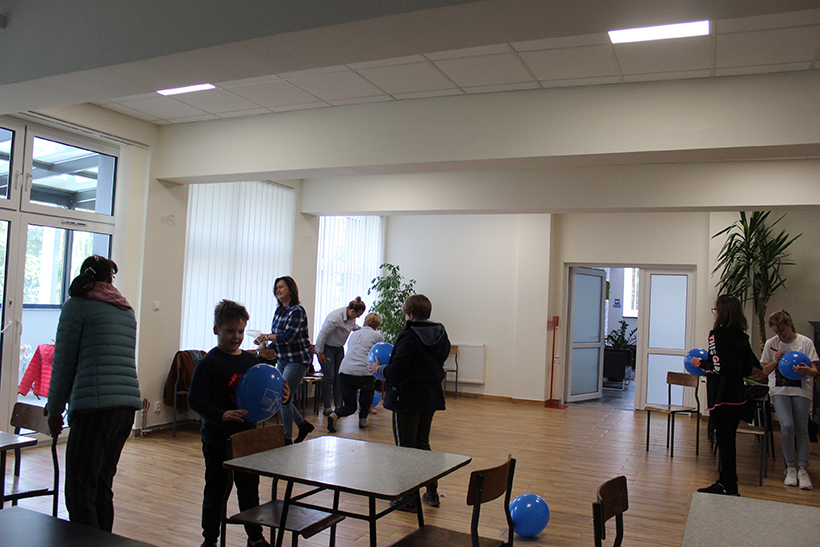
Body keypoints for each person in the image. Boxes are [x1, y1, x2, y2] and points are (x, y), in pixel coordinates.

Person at [46, 255, 141, 531]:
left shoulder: (77, 306)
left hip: (94, 411)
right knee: (101, 486)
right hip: (125, 410)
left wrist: (54, 410)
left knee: (79, 491)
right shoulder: (125, 310)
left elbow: (63, 363)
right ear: (110, 278)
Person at [188, 299, 290, 547]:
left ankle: (255, 538)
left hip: (246, 439)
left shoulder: (251, 362)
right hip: (217, 439)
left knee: (249, 491)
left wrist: (284, 396)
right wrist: (221, 414)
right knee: (216, 491)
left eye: (241, 331)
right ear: (217, 330)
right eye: (230, 331)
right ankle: (209, 540)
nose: (236, 337)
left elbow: (267, 390)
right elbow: (194, 399)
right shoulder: (208, 363)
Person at [371, 294, 450, 510]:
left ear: (411, 314)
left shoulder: (408, 336)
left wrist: (378, 369)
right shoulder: (441, 334)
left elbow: (397, 371)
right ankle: (432, 492)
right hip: (430, 396)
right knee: (422, 445)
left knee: (405, 450)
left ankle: (407, 498)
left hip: (407, 398)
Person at [690, 294, 759, 496]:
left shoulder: (717, 334)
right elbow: (748, 369)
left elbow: (716, 367)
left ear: (722, 313)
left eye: (716, 310)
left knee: (723, 441)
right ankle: (727, 482)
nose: (715, 313)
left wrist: (699, 363)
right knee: (729, 440)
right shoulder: (742, 337)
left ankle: (728, 485)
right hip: (737, 395)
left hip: (721, 395)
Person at [760, 309, 819, 490]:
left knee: (801, 428)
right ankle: (790, 467)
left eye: (782, 330)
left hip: (802, 390)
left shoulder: (805, 342)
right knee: (786, 426)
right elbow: (764, 371)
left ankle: (803, 468)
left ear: (789, 325)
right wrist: (775, 361)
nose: (780, 335)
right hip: (779, 390)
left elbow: (814, 371)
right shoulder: (771, 344)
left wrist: (806, 370)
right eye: (776, 332)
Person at [254, 276, 314, 444]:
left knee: (283, 397)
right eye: (276, 288)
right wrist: (265, 346)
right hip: (282, 359)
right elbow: (277, 339)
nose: (278, 290)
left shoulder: (297, 310)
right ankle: (302, 425)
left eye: (281, 287)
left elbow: (288, 337)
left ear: (290, 289)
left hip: (297, 359)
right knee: (279, 396)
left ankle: (286, 438)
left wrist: (267, 336)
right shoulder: (279, 311)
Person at [327, 312, 384, 432]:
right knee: (367, 391)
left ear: (365, 321)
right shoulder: (378, 336)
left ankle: (335, 414)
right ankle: (363, 419)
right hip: (364, 371)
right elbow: (378, 355)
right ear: (378, 324)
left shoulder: (354, 334)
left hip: (345, 371)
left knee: (350, 406)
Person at [315, 297, 366, 416]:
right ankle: (327, 407)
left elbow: (355, 327)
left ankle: (338, 405)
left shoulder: (351, 318)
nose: (357, 318)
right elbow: (322, 335)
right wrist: (320, 352)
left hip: (339, 349)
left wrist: (366, 331)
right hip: (327, 348)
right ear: (352, 311)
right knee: (329, 377)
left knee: (339, 377)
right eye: (357, 315)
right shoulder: (335, 317)